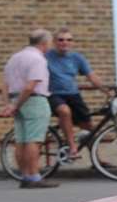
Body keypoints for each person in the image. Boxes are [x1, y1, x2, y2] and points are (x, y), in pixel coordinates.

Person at [3, 29, 58, 189]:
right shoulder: (37, 59)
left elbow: (4, 85)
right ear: (44, 43)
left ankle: (25, 175)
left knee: (21, 140)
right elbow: (30, 86)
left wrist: (9, 104)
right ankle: (34, 176)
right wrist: (16, 105)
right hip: (33, 101)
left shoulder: (14, 58)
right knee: (34, 140)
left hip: (15, 98)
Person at [46, 28, 112, 157]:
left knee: (88, 127)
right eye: (61, 40)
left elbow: (92, 76)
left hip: (73, 95)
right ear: (54, 42)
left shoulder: (77, 58)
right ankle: (72, 148)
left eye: (69, 40)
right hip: (53, 94)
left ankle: (97, 160)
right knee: (64, 111)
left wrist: (107, 92)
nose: (65, 42)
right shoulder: (46, 57)